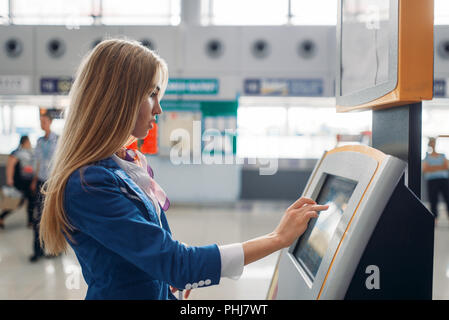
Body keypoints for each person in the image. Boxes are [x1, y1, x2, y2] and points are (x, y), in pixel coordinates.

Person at [39, 39, 328, 300]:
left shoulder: (124, 167)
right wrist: (276, 239)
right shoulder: (89, 183)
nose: (159, 109)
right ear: (118, 99)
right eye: (151, 94)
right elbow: (177, 264)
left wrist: (164, 280)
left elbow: (152, 255)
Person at [29, 112, 59, 262]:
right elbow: (37, 162)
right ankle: (37, 250)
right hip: (41, 181)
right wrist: (34, 180)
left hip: (54, 183)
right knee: (38, 217)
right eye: (41, 121)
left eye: (44, 121)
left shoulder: (58, 140)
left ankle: (55, 248)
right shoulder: (40, 141)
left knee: (54, 217)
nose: (42, 124)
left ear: (50, 122)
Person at [0, 135, 35, 229]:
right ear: (25, 142)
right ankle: (2, 217)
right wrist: (9, 179)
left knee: (29, 200)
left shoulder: (29, 152)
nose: (30, 144)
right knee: (18, 201)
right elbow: (10, 166)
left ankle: (30, 221)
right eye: (29, 142)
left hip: (28, 181)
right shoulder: (17, 153)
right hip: (20, 182)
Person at [422, 137, 449, 220]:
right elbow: (425, 169)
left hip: (444, 180)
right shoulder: (427, 157)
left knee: (448, 198)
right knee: (433, 199)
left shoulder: (442, 155)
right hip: (432, 180)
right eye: (432, 143)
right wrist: (440, 167)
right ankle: (435, 218)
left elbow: (446, 166)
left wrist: (432, 168)